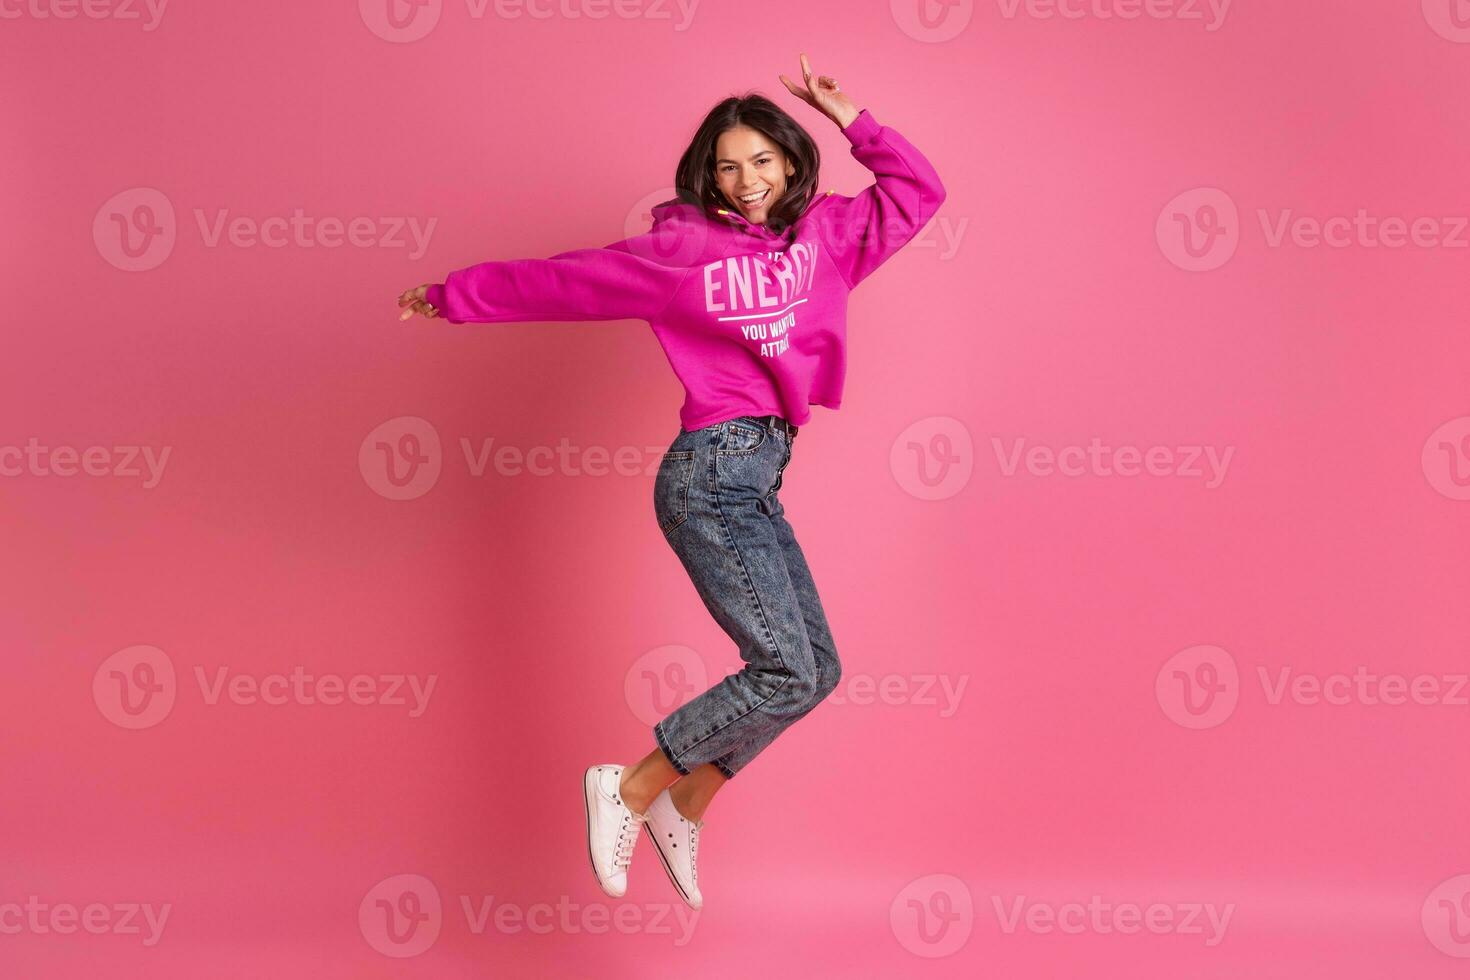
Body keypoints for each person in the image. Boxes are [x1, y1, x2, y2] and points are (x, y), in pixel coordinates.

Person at [397, 53, 946, 911]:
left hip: (757, 475)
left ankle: (685, 801)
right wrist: (453, 295)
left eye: (763, 160)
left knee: (819, 669)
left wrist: (855, 117)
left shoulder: (831, 239)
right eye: (728, 165)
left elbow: (919, 192)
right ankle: (629, 787)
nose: (748, 179)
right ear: (707, 175)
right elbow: (567, 281)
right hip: (711, 474)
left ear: (795, 163)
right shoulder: (683, 249)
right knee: (785, 671)